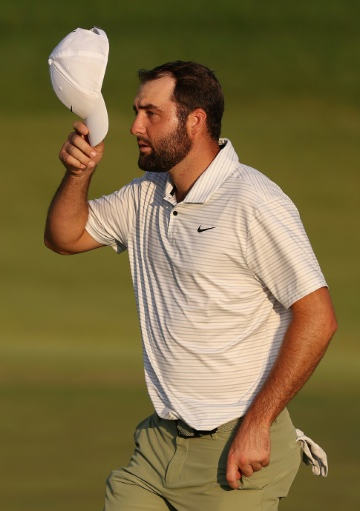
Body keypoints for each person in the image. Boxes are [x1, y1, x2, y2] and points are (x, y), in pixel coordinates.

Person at [44, 60, 337, 511]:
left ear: (195, 121)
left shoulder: (254, 201)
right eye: (136, 111)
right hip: (159, 447)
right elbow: (64, 237)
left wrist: (259, 425)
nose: (133, 125)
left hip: (239, 452)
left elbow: (318, 317)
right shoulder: (146, 195)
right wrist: (78, 174)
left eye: (150, 113)